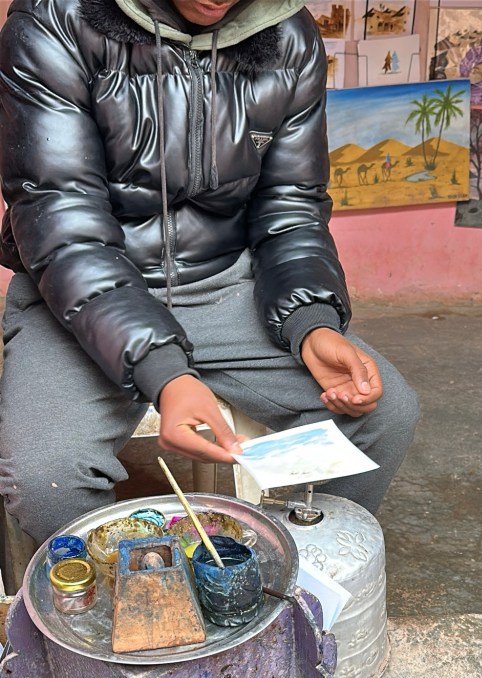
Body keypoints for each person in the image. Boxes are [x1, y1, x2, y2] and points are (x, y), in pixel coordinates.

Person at [0, 0, 419, 544]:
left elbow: (290, 203)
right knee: (45, 480)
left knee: (384, 416)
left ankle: (291, 573)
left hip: (222, 285)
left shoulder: (288, 34)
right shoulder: (55, 19)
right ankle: (139, 591)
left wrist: (311, 322)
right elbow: (63, 219)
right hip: (75, 293)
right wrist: (165, 372)